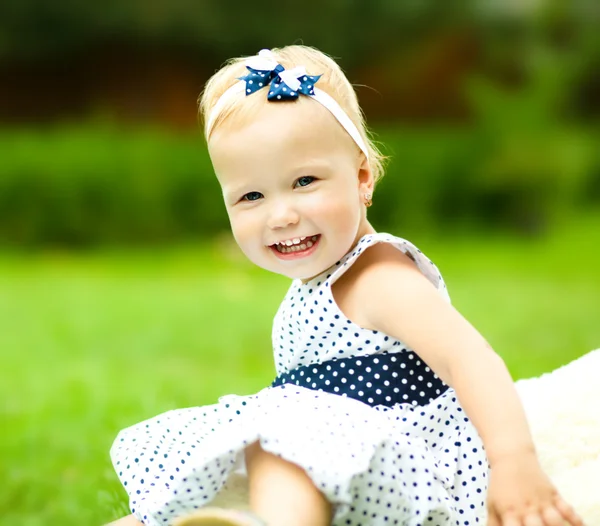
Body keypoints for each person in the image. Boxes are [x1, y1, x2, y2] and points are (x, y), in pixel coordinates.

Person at [108, 46, 584, 526]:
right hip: (344, 475)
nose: (281, 215)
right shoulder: (319, 285)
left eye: (304, 181)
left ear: (362, 177)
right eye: (251, 195)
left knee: (278, 442)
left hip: (410, 476)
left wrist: (514, 462)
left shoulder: (378, 276)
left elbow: (470, 359)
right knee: (243, 449)